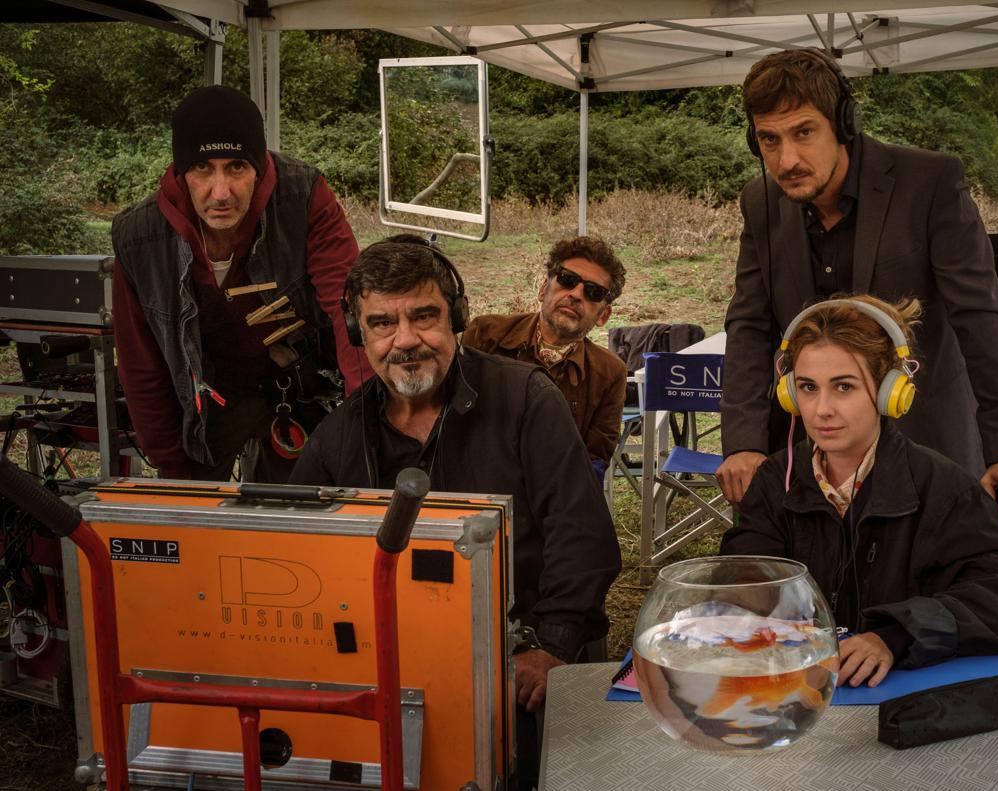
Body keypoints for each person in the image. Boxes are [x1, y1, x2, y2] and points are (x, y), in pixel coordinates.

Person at [288, 235, 621, 790]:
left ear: (456, 317)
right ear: (358, 333)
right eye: (382, 323)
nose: (405, 340)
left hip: (517, 658)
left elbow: (582, 537)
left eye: (424, 317)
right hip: (392, 661)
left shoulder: (526, 398)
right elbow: (299, 556)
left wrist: (551, 646)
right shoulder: (338, 436)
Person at [717, 48, 998, 531]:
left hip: (925, 440)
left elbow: (981, 320)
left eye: (804, 132)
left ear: (844, 123)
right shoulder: (760, 202)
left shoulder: (931, 183)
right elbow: (749, 325)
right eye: (769, 139)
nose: (787, 160)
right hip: (814, 454)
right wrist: (743, 442)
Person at [719, 296, 998, 688]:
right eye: (807, 387)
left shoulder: (944, 487)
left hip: (902, 693)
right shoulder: (775, 481)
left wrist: (896, 635)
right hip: (799, 690)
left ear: (892, 391)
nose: (821, 409)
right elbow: (739, 587)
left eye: (844, 387)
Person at [112, 85, 368, 482]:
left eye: (236, 167)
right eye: (202, 168)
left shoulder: (304, 195)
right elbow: (141, 361)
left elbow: (351, 310)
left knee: (304, 498)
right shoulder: (139, 236)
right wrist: (171, 464)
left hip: (296, 383)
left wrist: (364, 419)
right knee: (194, 505)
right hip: (208, 399)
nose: (221, 193)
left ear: (259, 168)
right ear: (181, 171)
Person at [460, 236, 627, 479]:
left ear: (603, 315)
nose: (576, 294)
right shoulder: (485, 335)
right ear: (543, 289)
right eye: (568, 280)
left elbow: (593, 463)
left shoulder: (610, 373)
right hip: (475, 484)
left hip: (554, 493)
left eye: (593, 292)